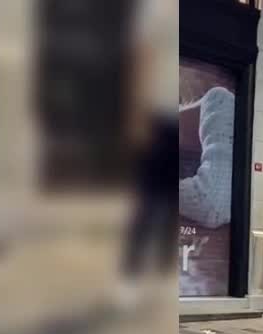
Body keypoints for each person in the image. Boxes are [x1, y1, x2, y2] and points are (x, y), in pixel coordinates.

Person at [114, 0, 179, 309]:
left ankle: (163, 277)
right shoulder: (154, 9)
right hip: (156, 118)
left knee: (170, 207)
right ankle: (130, 278)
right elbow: (141, 59)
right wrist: (135, 115)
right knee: (146, 202)